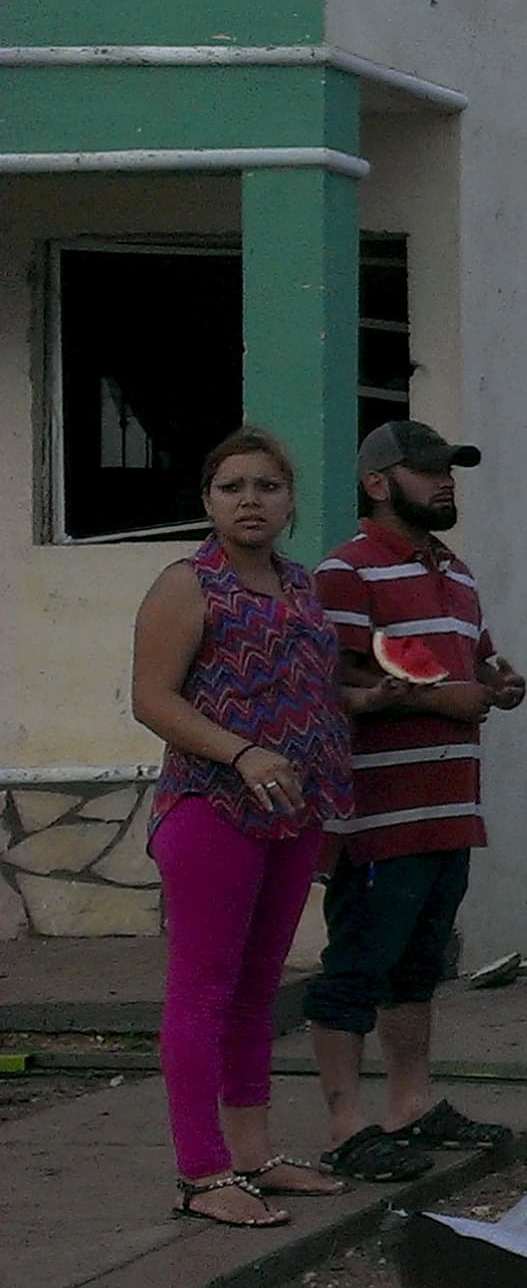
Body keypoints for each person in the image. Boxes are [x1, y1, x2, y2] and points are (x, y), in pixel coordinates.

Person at [129, 428, 358, 1227]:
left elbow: (316, 691)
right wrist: (242, 753)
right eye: (232, 487)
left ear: (291, 502)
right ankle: (202, 1172)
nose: (250, 500)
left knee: (260, 990)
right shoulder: (186, 584)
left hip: (294, 810)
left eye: (267, 486)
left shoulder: (301, 588)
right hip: (211, 808)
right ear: (208, 502)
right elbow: (153, 699)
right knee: (202, 989)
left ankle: (253, 1153)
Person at [308, 421, 527, 1183]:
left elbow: (474, 661)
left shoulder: (457, 573)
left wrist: (501, 682)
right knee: (356, 968)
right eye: (428, 470)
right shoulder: (345, 574)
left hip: (447, 811)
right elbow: (326, 691)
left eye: (451, 471)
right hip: (377, 816)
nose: (446, 482)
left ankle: (410, 1104)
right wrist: (434, 701)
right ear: (377, 483)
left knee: (418, 968)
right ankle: (345, 1125)